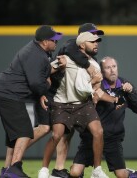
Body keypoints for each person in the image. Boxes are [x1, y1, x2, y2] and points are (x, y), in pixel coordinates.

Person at [37, 32, 115, 178]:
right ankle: (44, 169)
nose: (96, 44)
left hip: (83, 104)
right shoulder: (65, 59)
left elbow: (95, 89)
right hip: (62, 104)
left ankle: (97, 170)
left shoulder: (94, 65)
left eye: (96, 42)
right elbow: (45, 72)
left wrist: (102, 94)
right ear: (82, 45)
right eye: (92, 42)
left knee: (98, 132)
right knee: (56, 135)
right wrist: (43, 90)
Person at [0, 25, 63, 177]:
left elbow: (42, 73)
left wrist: (56, 67)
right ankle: (14, 169)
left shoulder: (39, 51)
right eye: (53, 39)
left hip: (10, 94)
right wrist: (46, 86)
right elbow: (36, 83)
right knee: (24, 131)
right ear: (44, 42)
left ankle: (7, 170)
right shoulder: (35, 54)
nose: (56, 42)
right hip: (9, 94)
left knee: (16, 136)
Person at [69, 56, 137, 178]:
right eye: (108, 68)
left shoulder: (125, 85)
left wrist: (131, 93)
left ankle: (131, 173)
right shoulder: (96, 86)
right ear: (102, 71)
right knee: (74, 173)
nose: (112, 70)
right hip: (91, 138)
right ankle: (80, 171)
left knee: (122, 175)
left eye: (114, 67)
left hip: (112, 139)